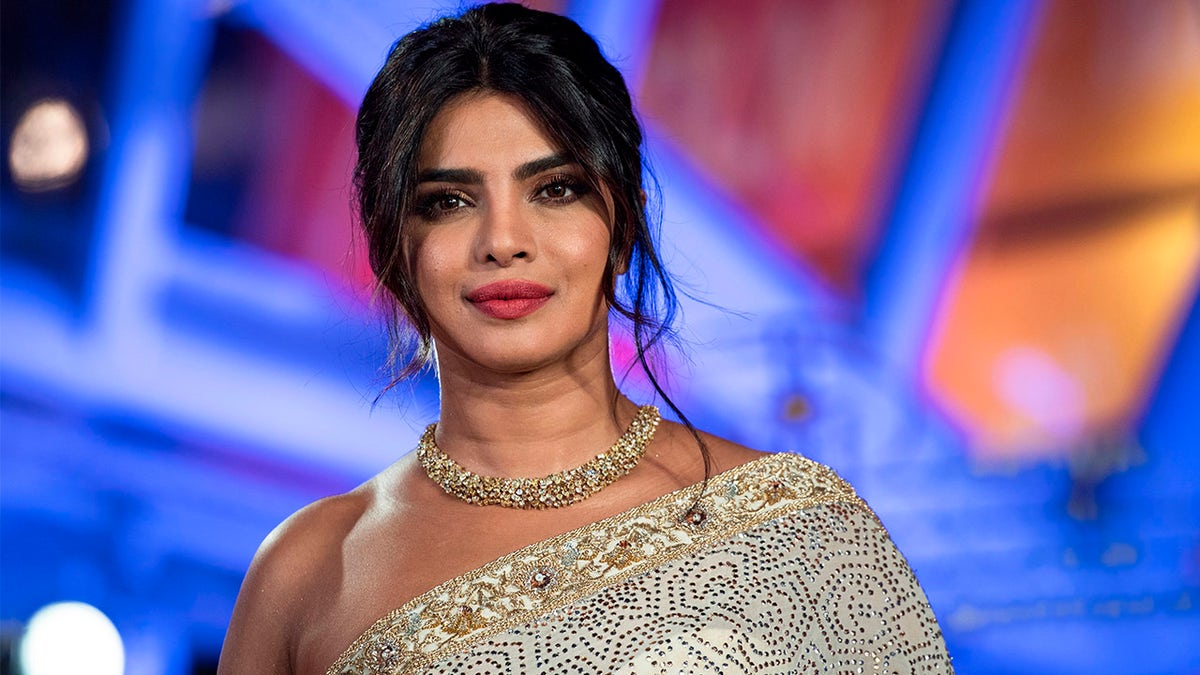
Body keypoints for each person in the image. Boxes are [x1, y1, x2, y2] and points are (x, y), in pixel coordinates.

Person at [217, 3, 953, 673]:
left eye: (554, 189)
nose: (503, 240)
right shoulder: (309, 570)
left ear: (623, 221)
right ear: (390, 246)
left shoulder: (798, 532)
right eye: (449, 201)